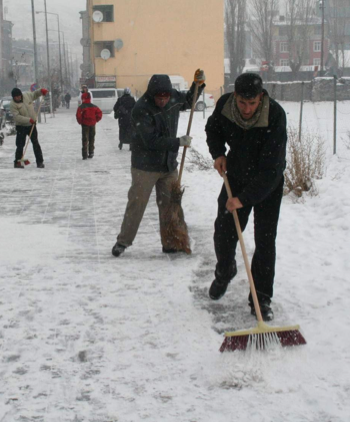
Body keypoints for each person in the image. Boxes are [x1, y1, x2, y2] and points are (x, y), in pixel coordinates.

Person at [205, 73, 288, 322]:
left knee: (264, 240)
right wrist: (218, 153)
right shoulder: (225, 106)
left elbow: (273, 168)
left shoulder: (275, 114)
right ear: (236, 96)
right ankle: (225, 270)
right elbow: (213, 129)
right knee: (224, 230)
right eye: (243, 102)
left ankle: (260, 298)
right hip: (236, 176)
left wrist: (245, 199)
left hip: (267, 185)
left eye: (252, 103)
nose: (247, 108)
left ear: (261, 97)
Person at [112, 71, 205, 257]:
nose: (163, 100)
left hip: (167, 165)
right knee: (137, 204)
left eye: (166, 96)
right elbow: (151, 141)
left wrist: (197, 85)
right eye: (159, 97)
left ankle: (171, 242)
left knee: (171, 204)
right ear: (151, 94)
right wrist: (178, 142)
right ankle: (123, 241)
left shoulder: (172, 99)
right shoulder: (141, 109)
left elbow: (188, 100)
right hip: (144, 167)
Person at [11, 86, 48, 169]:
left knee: (35, 143)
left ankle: (40, 162)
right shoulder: (13, 104)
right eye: (15, 97)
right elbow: (17, 117)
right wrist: (28, 120)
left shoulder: (27, 96)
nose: (17, 98)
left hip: (32, 125)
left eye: (18, 96)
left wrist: (41, 91)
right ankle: (17, 162)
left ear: (21, 95)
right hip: (21, 126)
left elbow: (35, 94)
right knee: (20, 145)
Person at [76, 92, 103, 160]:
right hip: (92, 124)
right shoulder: (94, 106)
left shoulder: (81, 107)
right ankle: (91, 152)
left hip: (85, 125)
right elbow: (99, 113)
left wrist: (81, 122)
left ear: (83, 98)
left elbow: (78, 116)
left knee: (85, 139)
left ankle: (85, 154)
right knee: (92, 138)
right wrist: (95, 120)